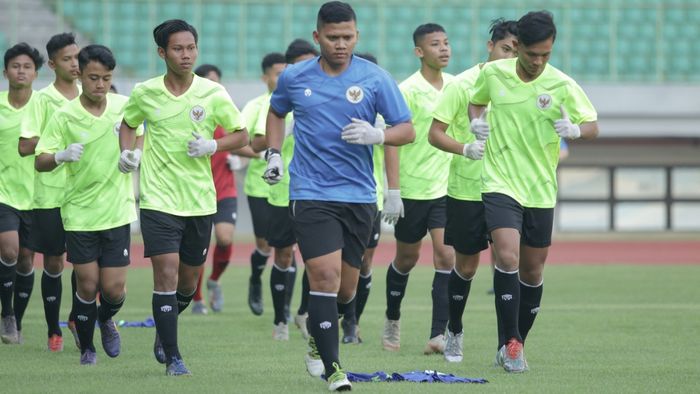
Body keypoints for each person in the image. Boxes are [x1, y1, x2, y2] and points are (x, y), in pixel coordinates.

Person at [264, 2, 415, 390]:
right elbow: (276, 112)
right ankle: (335, 370)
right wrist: (274, 154)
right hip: (311, 193)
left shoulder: (376, 78)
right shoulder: (295, 77)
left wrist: (377, 135)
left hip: (359, 196)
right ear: (318, 37)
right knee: (324, 277)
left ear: (357, 36)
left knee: (346, 289)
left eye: (348, 37)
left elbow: (406, 129)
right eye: (333, 38)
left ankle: (317, 342)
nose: (341, 44)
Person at [468, 11, 599, 372]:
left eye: (546, 54)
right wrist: (475, 122)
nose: (539, 61)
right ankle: (512, 345)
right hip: (499, 181)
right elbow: (476, 101)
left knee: (532, 272)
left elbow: (592, 125)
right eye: (532, 54)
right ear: (518, 47)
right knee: (506, 257)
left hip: (540, 189)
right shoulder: (493, 74)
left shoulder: (561, 84)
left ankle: (514, 342)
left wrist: (574, 131)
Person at [118, 19, 248, 376]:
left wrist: (213, 144)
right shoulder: (145, 92)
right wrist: (126, 153)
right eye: (178, 48)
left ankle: (166, 326)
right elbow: (129, 123)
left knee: (188, 284)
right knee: (166, 275)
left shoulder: (213, 93)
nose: (186, 54)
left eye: (191, 47)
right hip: (158, 200)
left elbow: (242, 134)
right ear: (162, 52)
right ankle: (174, 356)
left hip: (200, 201)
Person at [35, 44, 142, 365]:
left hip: (117, 210)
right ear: (80, 74)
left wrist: (133, 154)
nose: (100, 85)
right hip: (79, 213)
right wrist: (60, 155)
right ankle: (87, 349)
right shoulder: (64, 115)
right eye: (94, 77)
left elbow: (140, 133)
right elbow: (40, 160)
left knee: (113, 289)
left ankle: (106, 318)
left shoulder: (124, 107)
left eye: (107, 78)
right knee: (87, 283)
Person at [428, 18, 518, 363]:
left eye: (515, 52)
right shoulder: (463, 84)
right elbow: (435, 133)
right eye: (505, 49)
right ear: (490, 46)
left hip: (508, 188)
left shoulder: (520, 85)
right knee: (465, 268)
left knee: (509, 261)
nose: (509, 57)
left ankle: (509, 345)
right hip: (467, 189)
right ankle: (454, 330)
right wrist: (464, 148)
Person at [382, 23, 454, 355]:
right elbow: (393, 143)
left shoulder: (457, 86)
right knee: (407, 259)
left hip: (445, 188)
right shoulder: (406, 90)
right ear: (419, 51)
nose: (444, 49)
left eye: (446, 43)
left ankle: (439, 334)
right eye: (435, 44)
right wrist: (393, 191)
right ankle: (392, 318)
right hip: (411, 190)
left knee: (445, 254)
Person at [17, 32, 81, 351]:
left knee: (85, 262)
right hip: (51, 193)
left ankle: (76, 317)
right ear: (53, 64)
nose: (75, 63)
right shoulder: (41, 99)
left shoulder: (92, 95)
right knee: (54, 262)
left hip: (87, 194)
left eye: (77, 57)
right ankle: (52, 327)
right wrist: (56, 145)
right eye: (67, 58)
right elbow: (25, 145)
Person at [250, 47, 315, 341]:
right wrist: (283, 132)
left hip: (315, 190)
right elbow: (255, 142)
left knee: (316, 258)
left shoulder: (324, 96)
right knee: (284, 255)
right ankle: (280, 320)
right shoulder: (277, 101)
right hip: (281, 192)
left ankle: (304, 312)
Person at [190, 63, 255, 315]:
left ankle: (214, 280)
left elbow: (247, 148)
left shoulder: (227, 118)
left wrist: (241, 161)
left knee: (225, 238)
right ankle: (197, 299)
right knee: (199, 248)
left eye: (217, 82)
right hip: (196, 192)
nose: (214, 86)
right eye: (209, 82)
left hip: (225, 190)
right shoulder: (193, 118)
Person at [339, 51, 395, 345]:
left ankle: (352, 323)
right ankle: (325, 316)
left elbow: (393, 145)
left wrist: (392, 192)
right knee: (333, 263)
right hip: (331, 196)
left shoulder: (380, 108)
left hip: (367, 197)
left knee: (363, 262)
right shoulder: (332, 100)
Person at [240, 53, 290, 317]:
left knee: (288, 249)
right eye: (277, 74)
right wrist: (262, 153)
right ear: (265, 77)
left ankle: (284, 311)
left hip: (291, 187)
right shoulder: (255, 106)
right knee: (265, 246)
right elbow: (238, 142)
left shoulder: (299, 103)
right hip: (260, 187)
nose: (282, 78)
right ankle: (256, 280)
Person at [0, 43, 43, 346]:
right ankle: (7, 314)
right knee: (9, 251)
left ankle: (18, 318)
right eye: (16, 66)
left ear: (36, 73)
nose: (21, 71)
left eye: (27, 66)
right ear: (6, 72)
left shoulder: (44, 106)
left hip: (37, 195)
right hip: (4, 193)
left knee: (26, 261)